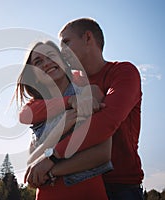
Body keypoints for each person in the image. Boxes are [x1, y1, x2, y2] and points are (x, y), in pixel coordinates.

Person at [24, 18, 144, 200]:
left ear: (88, 38)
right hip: (79, 183)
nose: (61, 51)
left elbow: (106, 122)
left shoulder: (123, 72)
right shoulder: (72, 86)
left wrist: (51, 160)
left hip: (121, 186)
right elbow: (31, 117)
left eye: (66, 42)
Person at [16, 40, 112, 199]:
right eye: (38, 62)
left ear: (64, 62)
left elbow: (102, 154)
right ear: (35, 76)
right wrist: (61, 127)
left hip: (86, 192)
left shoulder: (90, 93)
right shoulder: (38, 111)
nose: (47, 63)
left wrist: (50, 169)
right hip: (47, 194)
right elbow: (32, 161)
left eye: (51, 56)